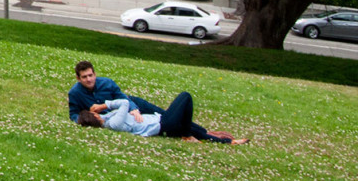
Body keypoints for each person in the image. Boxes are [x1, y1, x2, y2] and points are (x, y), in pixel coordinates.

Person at [68, 60, 234, 141]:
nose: (89, 80)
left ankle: (204, 133)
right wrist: (86, 120)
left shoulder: (106, 83)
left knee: (168, 114)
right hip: (120, 114)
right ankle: (201, 135)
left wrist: (133, 108)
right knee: (175, 115)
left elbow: (123, 98)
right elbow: (74, 114)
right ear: (78, 78)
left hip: (131, 106)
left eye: (91, 75)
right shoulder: (75, 93)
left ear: (95, 74)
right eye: (84, 77)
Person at [77, 93, 248, 144]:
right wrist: (105, 104)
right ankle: (188, 135)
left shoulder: (108, 121)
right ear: (95, 115)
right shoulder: (113, 123)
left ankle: (228, 142)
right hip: (163, 125)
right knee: (186, 97)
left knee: (191, 128)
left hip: (161, 121)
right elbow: (123, 103)